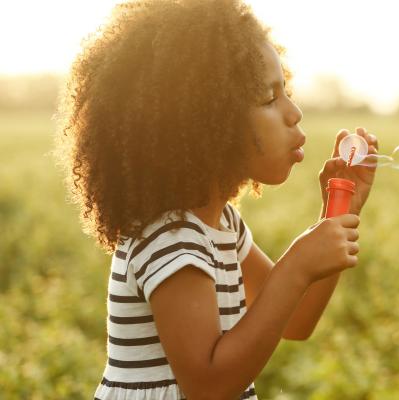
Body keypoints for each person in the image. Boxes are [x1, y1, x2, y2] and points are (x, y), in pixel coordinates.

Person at [53, 0, 379, 398]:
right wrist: (295, 265)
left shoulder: (222, 226)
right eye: (268, 99)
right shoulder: (171, 236)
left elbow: (296, 322)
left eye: (286, 92)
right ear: (206, 121)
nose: (294, 113)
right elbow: (208, 386)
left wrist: (338, 208)